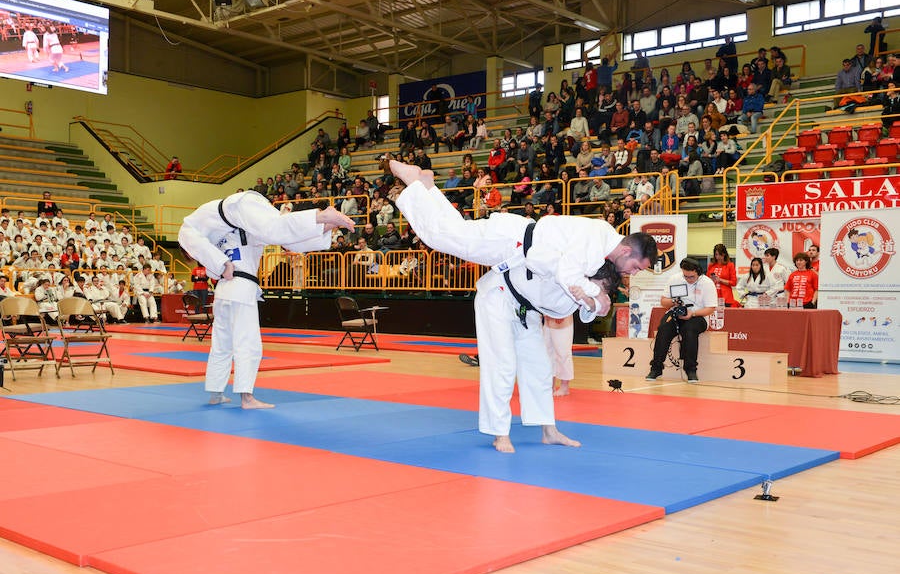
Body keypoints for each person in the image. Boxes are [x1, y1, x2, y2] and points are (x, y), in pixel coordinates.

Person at [390, 160, 658, 453]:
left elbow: (582, 306)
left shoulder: (599, 260)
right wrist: (593, 295)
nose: (632, 272)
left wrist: (595, 300)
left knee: (539, 368)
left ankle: (548, 429)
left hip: (521, 295)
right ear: (627, 250)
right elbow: (570, 278)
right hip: (510, 248)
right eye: (635, 266)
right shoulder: (595, 243)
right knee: (442, 237)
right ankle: (416, 184)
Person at [178, 190, 354, 409]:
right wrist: (325, 226)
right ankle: (246, 398)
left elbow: (213, 259)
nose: (196, 256)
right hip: (241, 288)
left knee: (222, 345)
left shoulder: (210, 239)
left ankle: (216, 393)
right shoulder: (244, 231)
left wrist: (223, 265)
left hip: (223, 294)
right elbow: (289, 241)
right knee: (247, 343)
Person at [646, 258, 717, 383]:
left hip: (698, 316)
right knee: (663, 328)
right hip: (675, 313)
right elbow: (663, 302)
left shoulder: (707, 283)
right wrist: (673, 302)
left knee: (689, 329)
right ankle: (656, 368)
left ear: (698, 272)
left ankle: (691, 370)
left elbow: (710, 308)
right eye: (686, 276)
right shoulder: (674, 279)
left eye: (692, 277)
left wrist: (692, 313)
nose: (688, 279)